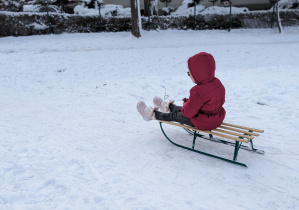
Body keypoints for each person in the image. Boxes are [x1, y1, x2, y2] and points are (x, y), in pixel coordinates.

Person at [137, 52, 226, 131]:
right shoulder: (217, 83)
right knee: (183, 109)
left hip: (202, 122)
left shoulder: (197, 91)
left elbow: (187, 113)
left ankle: (151, 115)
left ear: (198, 74)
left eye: (190, 73)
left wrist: (186, 103)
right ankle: (167, 107)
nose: (189, 76)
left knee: (176, 115)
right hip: (217, 118)